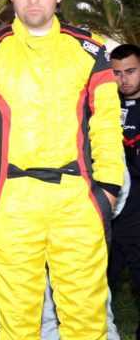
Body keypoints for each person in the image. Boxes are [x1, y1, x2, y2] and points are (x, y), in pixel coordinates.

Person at [0, 0, 124, 338]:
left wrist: (108, 190)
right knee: (18, 324)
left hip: (78, 200)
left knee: (87, 322)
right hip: (11, 202)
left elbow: (107, 124)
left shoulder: (91, 50)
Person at [109, 43, 140, 336]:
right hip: (109, 208)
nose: (123, 79)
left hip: (138, 211)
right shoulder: (105, 106)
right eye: (117, 73)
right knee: (100, 278)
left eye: (130, 71)